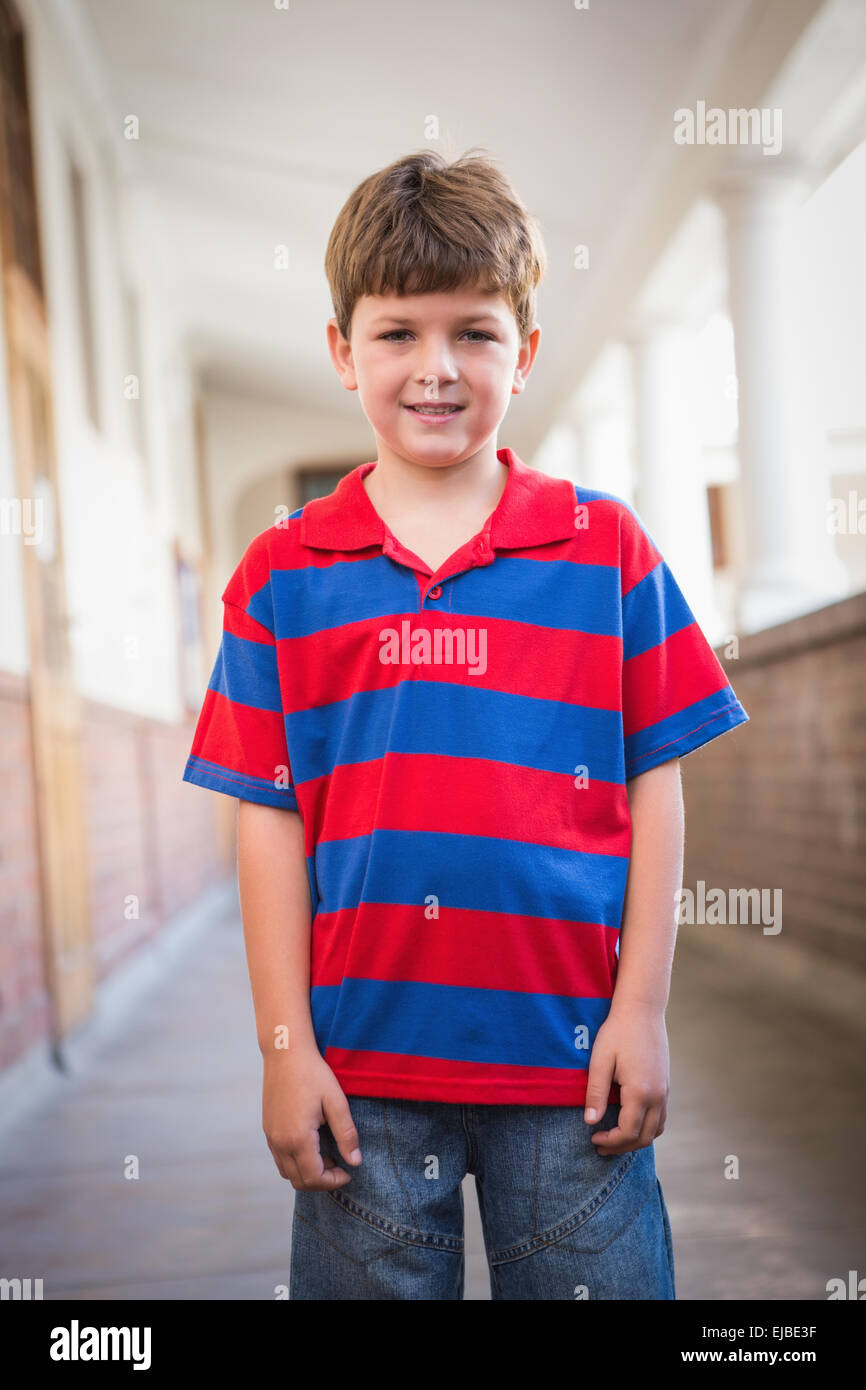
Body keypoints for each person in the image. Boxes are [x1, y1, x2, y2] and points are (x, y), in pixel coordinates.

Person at [182, 149, 749, 1300]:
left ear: (523, 353)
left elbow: (655, 786)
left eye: (473, 333)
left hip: (570, 1070)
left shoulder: (607, 550)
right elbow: (268, 823)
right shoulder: (282, 574)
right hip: (361, 1079)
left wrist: (638, 1012)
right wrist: (283, 1052)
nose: (435, 370)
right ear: (341, 350)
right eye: (396, 333)